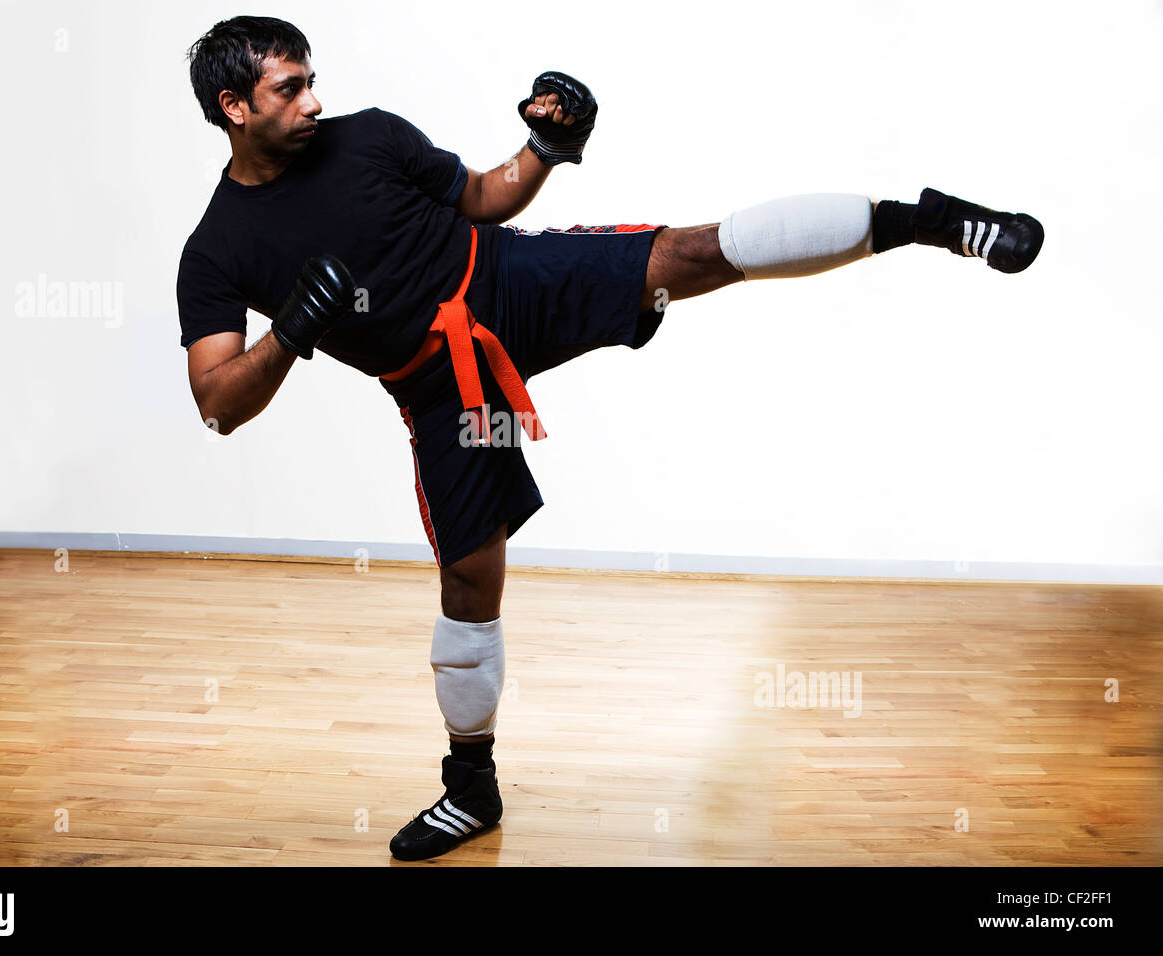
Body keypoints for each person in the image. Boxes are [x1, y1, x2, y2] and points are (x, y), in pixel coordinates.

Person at [175, 15, 1043, 862]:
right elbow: (218, 403)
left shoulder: (370, 136)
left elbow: (483, 196)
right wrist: (288, 334)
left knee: (688, 255)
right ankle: (471, 787)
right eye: (291, 89)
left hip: (510, 280)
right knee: (470, 581)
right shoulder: (217, 249)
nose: (316, 101)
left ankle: (926, 221)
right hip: (443, 386)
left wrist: (544, 150)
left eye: (312, 80)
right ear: (234, 107)